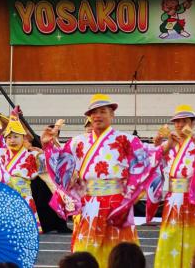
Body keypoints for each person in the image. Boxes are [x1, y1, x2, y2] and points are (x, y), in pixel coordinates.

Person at [41, 93, 151, 268]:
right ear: (88, 117)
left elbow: (145, 167)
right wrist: (48, 146)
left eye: (102, 111)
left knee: (120, 254)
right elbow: (62, 171)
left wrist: (129, 197)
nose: (97, 116)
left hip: (117, 204)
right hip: (89, 204)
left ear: (112, 115)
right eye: (93, 112)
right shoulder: (77, 142)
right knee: (85, 253)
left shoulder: (127, 140)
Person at [149, 104, 195, 268]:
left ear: (192, 124)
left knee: (194, 236)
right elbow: (153, 164)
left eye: (184, 121)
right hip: (173, 198)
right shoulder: (170, 144)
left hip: (193, 197)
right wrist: (158, 146)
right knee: (170, 235)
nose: (179, 125)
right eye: (177, 122)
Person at [0, 106, 44, 232]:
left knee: (24, 234)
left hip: (24, 196)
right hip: (4, 198)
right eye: (9, 137)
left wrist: (46, 148)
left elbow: (49, 164)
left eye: (16, 136)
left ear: (23, 138)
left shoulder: (32, 155)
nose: (12, 140)